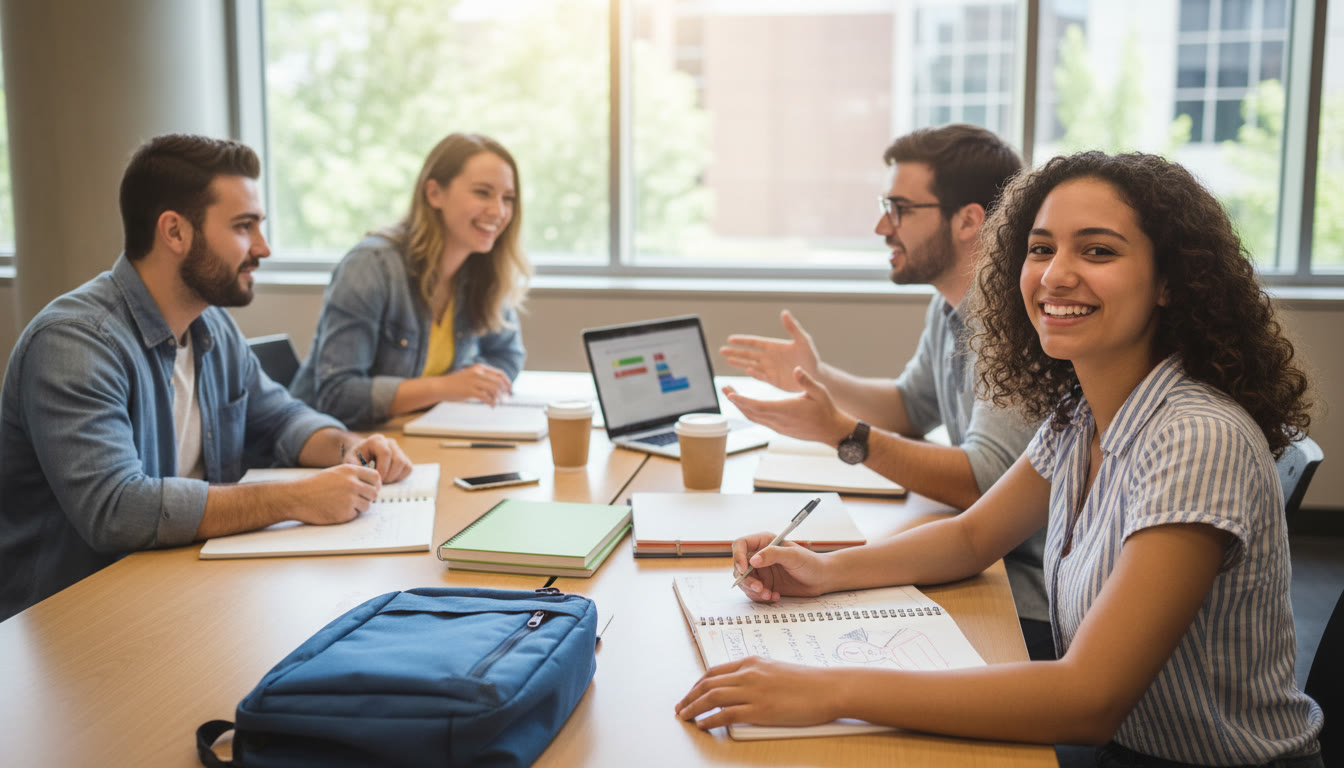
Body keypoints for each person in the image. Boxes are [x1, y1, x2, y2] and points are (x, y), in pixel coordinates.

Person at [677, 151, 1323, 767]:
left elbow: (1087, 700)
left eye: (1097, 251)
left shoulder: (1195, 437)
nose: (1056, 273)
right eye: (1041, 249)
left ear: (1169, 283)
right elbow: (972, 536)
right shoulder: (1084, 412)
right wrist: (822, 570)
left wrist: (828, 690)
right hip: (1122, 746)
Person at [0, 134, 413, 622]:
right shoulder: (73, 343)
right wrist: (296, 498)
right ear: (174, 232)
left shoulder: (210, 324)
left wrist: (346, 446)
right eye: (244, 227)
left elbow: (279, 417)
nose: (263, 247)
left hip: (179, 589)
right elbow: (117, 510)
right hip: (67, 622)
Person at [719, 124, 1051, 658]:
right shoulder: (952, 306)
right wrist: (818, 375)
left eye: (898, 208)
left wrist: (843, 434)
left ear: (969, 220)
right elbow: (908, 407)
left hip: (1023, 597)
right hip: (984, 565)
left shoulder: (1015, 324)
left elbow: (982, 482)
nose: (881, 225)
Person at [289, 133, 530, 429]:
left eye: (508, 199)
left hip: (417, 441)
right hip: (341, 453)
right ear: (434, 194)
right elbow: (337, 394)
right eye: (483, 193)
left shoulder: (483, 271)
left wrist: (473, 383)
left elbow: (507, 355)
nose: (499, 211)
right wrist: (448, 388)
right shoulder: (371, 267)